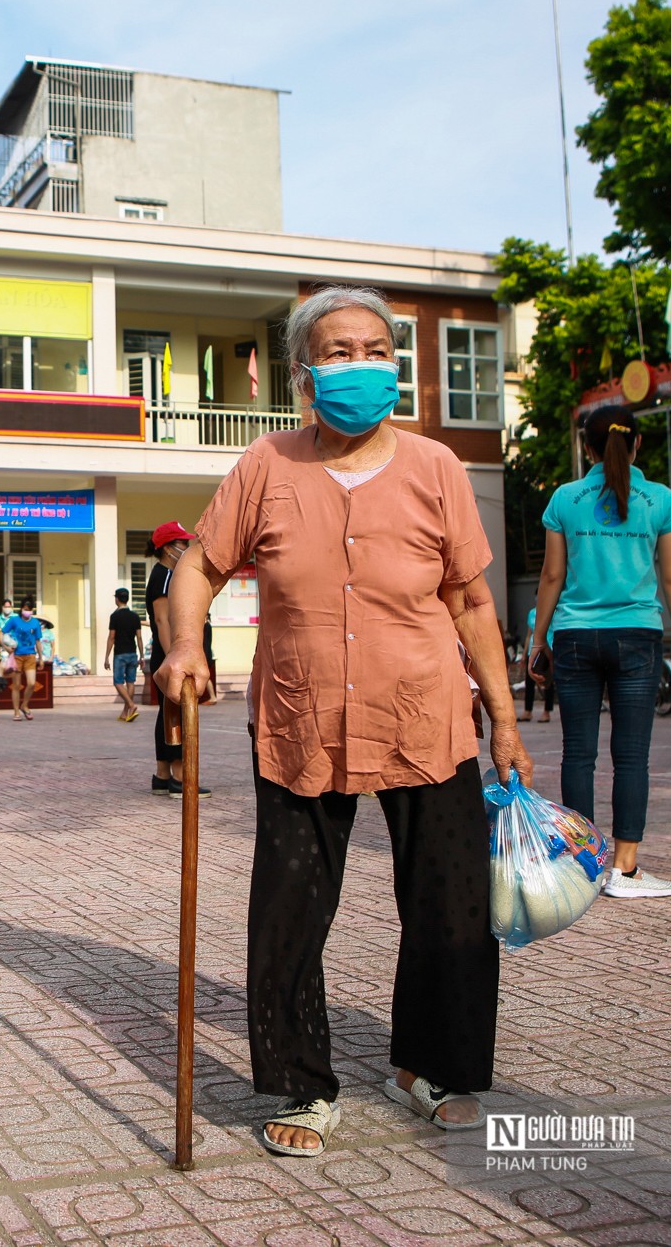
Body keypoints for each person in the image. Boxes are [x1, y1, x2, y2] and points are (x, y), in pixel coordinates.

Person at [158, 285, 530, 1156]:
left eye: (374, 350)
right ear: (303, 373)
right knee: (289, 907)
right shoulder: (265, 466)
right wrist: (185, 644)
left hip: (428, 716)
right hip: (301, 721)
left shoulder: (438, 467)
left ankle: (429, 1066)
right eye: (338, 351)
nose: (358, 365)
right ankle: (300, 1084)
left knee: (451, 908)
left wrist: (505, 721)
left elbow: (473, 603)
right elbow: (197, 568)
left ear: (395, 366)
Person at [529, 404, 671, 899]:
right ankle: (624, 871)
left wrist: (539, 641)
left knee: (577, 754)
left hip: (576, 636)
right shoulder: (660, 500)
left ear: (587, 447)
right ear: (638, 444)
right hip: (638, 636)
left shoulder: (566, 498)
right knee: (631, 757)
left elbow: (552, 576)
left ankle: (583, 866)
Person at [146, 522, 212, 798]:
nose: (186, 549)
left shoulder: (168, 574)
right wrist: (175, 655)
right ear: (167, 548)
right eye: (182, 544)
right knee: (179, 715)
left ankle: (162, 775)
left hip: (169, 654)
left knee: (167, 714)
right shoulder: (164, 576)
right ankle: (178, 775)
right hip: (171, 655)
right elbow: (162, 620)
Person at [0, 601, 46, 721]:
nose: (27, 611)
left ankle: (24, 705)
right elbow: (1, 633)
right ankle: (16, 712)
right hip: (16, 656)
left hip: (30, 655)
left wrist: (41, 658)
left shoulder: (35, 623)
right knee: (16, 685)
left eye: (29, 609)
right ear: (21, 609)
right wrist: (6, 647)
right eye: (25, 609)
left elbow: (38, 641)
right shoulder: (14, 620)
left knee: (31, 683)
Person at [108, 587, 143, 722]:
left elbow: (111, 637)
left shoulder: (114, 616)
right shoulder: (135, 616)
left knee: (118, 682)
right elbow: (139, 637)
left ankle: (131, 705)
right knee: (130, 682)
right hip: (132, 653)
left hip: (120, 653)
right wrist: (141, 655)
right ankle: (125, 713)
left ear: (117, 599)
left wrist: (106, 656)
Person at [522, 605, 554, 722]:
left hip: (547, 649)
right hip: (533, 649)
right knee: (529, 682)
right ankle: (528, 711)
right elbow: (528, 635)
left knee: (547, 682)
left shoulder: (552, 610)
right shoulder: (532, 613)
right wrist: (524, 654)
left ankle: (547, 712)